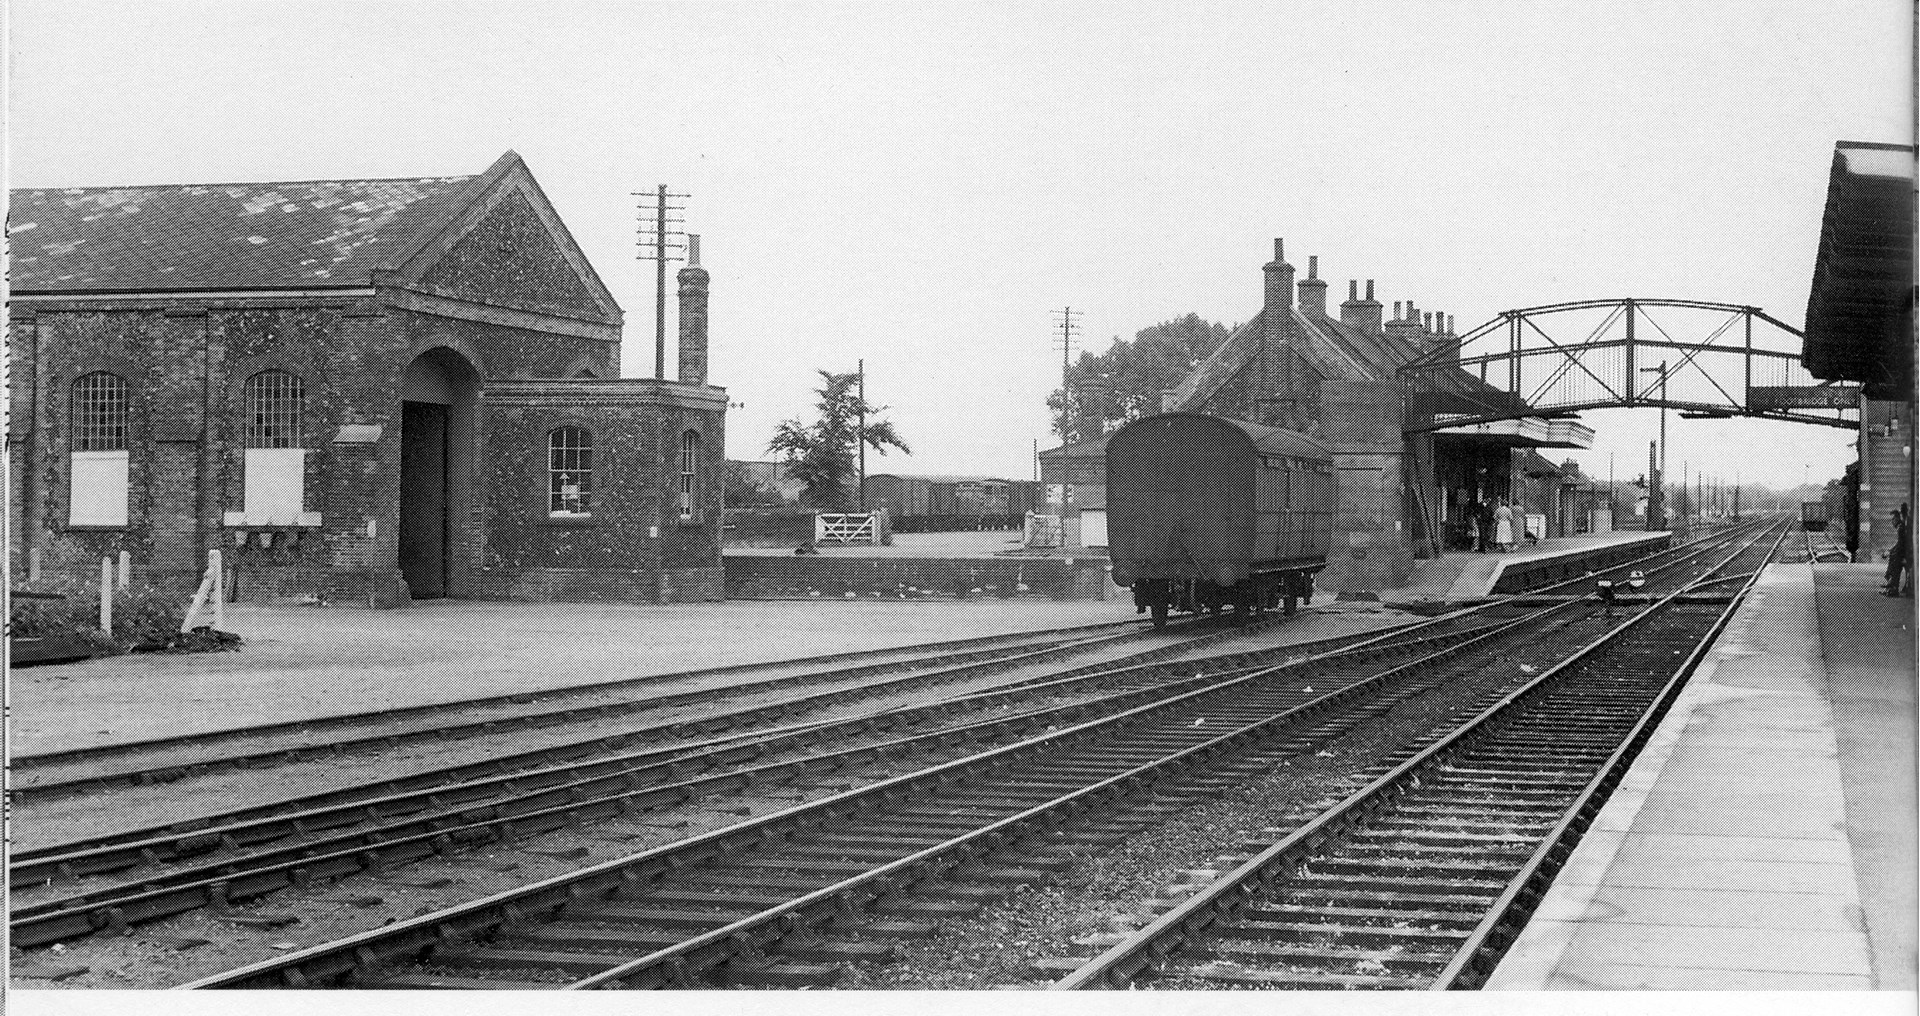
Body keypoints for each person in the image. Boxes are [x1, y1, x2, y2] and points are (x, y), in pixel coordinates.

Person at [1885, 503, 1910, 597]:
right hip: (1905, 552)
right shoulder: (1902, 525)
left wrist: (1891, 552)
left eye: (1893, 519)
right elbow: (1900, 544)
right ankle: (1891, 585)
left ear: (1897, 518)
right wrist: (1891, 551)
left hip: (1906, 553)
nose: (1892, 522)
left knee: (1895, 561)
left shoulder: (1901, 527)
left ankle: (1893, 587)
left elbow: (1901, 544)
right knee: (1893, 558)